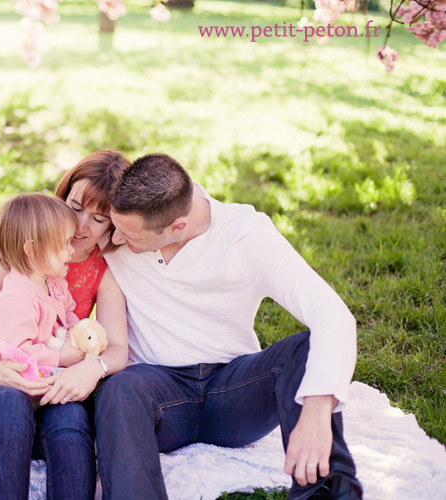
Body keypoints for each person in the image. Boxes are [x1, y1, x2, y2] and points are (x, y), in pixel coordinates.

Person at [95, 153, 362, 500]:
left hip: (233, 392)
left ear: (176, 226)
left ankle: (328, 492)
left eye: (129, 234)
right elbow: (35, 238)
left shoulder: (246, 235)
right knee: (120, 389)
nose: (115, 237)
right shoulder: (118, 233)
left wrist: (316, 409)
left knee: (304, 349)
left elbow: (332, 313)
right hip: (158, 391)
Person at [0, 150, 130, 500]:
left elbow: (117, 347)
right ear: (63, 195)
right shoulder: (12, 252)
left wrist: (91, 367)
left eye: (99, 219)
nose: (80, 227)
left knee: (72, 413)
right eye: (76, 207)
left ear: (115, 223)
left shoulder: (103, 269)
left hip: (46, 394)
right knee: (10, 403)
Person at [0, 193, 80, 383]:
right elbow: (17, 352)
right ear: (32, 250)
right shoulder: (17, 299)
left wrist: (76, 331)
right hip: (13, 375)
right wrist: (61, 357)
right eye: (66, 243)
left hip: (46, 366)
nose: (72, 250)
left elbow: (67, 312)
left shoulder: (54, 282)